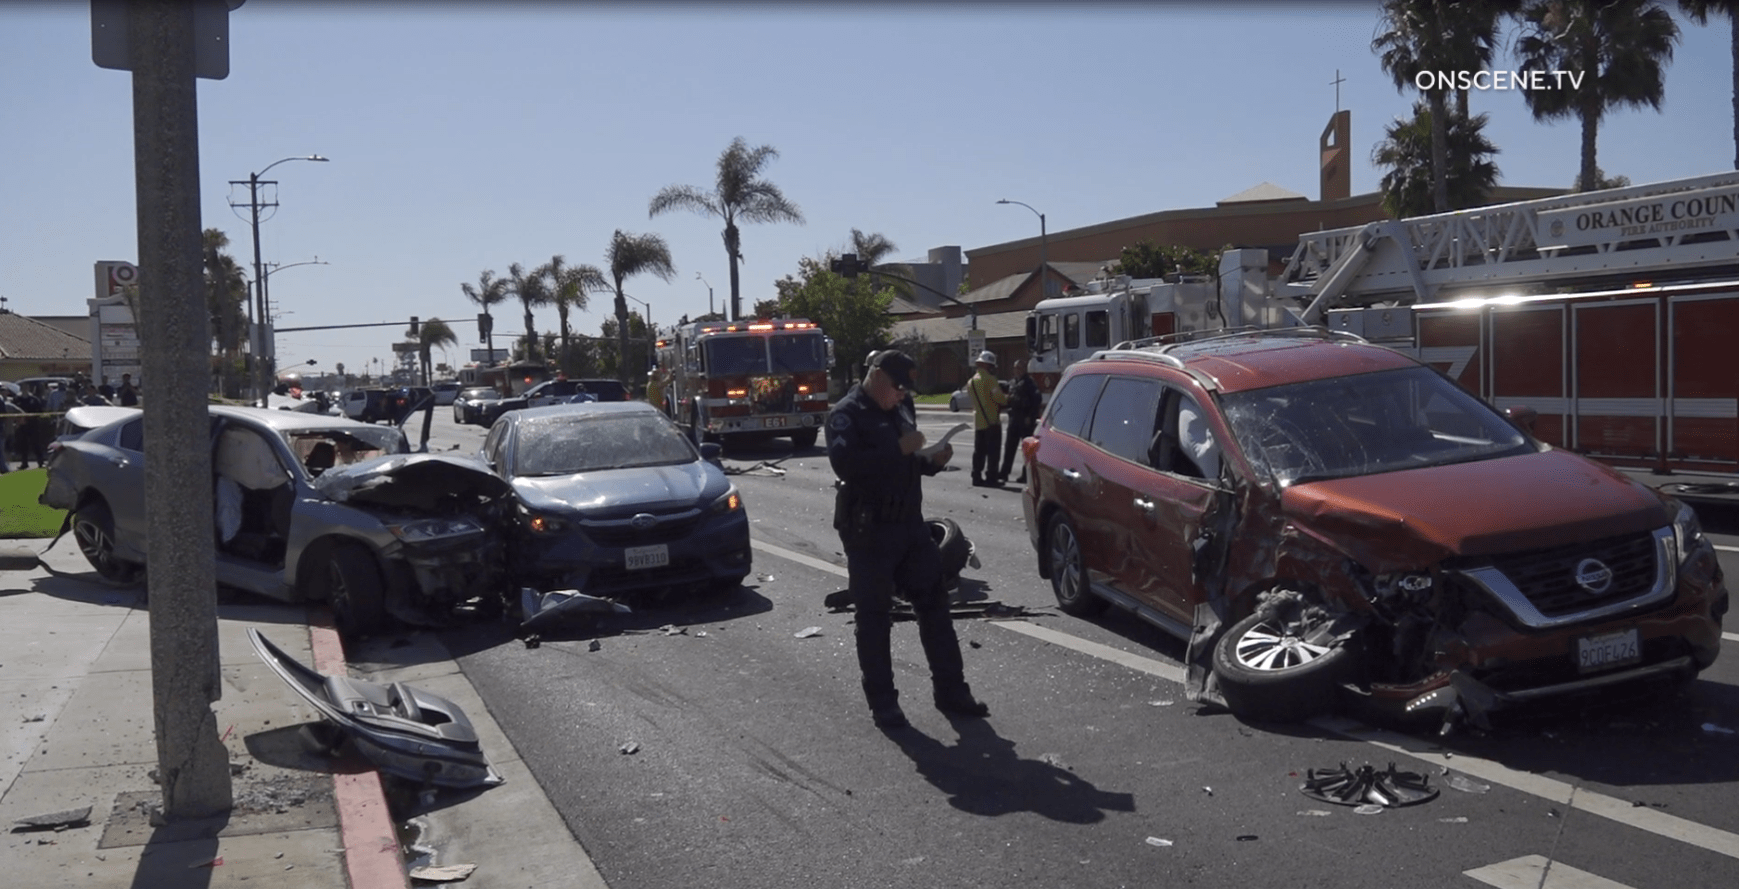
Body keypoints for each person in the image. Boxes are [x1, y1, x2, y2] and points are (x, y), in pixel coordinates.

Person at [827, 349, 989, 729]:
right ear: (876, 375)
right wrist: (896, 448)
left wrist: (930, 461)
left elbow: (908, 463)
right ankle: (884, 703)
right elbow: (845, 464)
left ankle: (952, 691)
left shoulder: (903, 407)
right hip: (869, 532)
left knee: (935, 606)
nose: (902, 394)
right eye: (897, 387)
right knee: (874, 617)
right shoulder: (846, 414)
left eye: (906, 389)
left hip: (910, 528)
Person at [966, 350, 1007, 487]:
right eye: (991, 366)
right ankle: (991, 478)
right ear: (987, 365)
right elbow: (1000, 399)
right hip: (992, 422)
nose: (992, 368)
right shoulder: (990, 380)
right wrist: (1008, 398)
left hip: (979, 422)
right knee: (993, 453)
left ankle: (976, 476)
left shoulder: (971, 382)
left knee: (979, 452)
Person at [998, 358, 1041, 484]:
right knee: (1009, 448)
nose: (1018, 370)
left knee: (1027, 450)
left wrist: (1030, 417)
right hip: (1014, 419)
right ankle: (1004, 473)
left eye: (1021, 367)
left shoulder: (1030, 383)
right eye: (1016, 368)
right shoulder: (1012, 383)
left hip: (1025, 420)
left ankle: (1026, 475)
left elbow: (1036, 401)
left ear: (1025, 369)